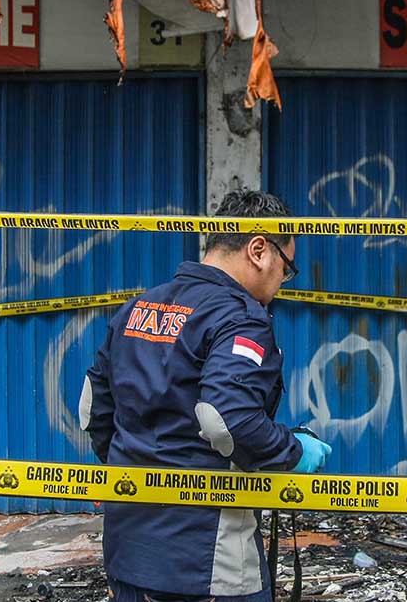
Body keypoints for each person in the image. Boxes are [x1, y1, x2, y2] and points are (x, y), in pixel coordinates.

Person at [80, 189, 333, 602]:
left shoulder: (139, 307)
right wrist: (293, 451)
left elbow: (93, 409)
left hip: (129, 550)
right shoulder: (239, 317)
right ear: (258, 250)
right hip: (207, 560)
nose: (281, 284)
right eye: (286, 269)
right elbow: (227, 419)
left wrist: (134, 469)